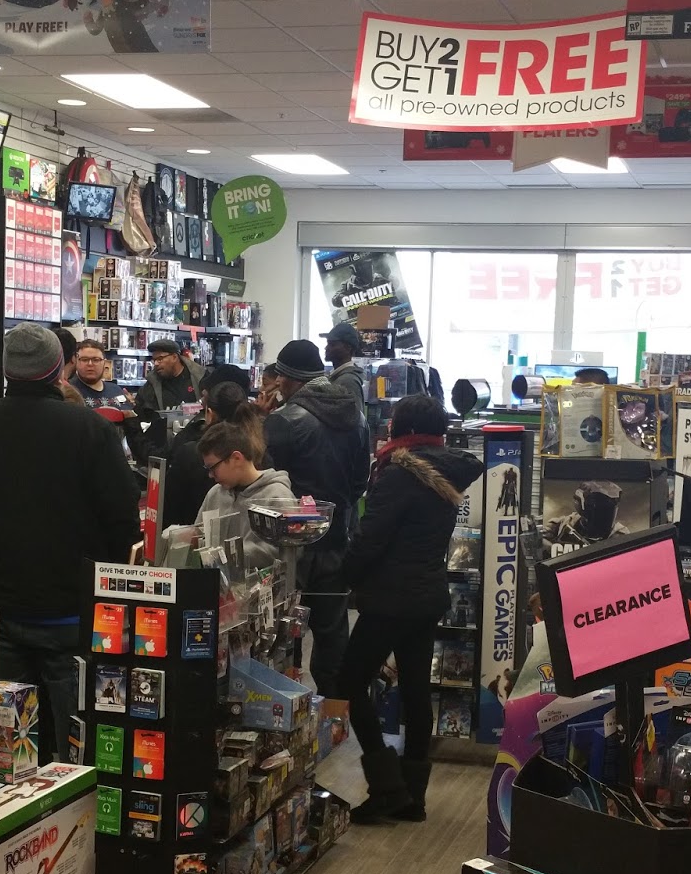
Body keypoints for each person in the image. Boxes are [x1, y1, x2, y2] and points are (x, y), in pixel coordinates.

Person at [0, 324, 140, 761]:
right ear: (59, 369)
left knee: (8, 746)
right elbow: (123, 517)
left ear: (6, 371)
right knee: (78, 737)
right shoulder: (90, 429)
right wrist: (97, 570)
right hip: (71, 607)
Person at [340, 394, 481, 822]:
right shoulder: (447, 470)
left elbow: (370, 539)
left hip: (389, 598)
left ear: (404, 430)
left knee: (349, 684)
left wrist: (344, 575)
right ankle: (413, 797)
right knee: (417, 692)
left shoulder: (399, 474)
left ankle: (387, 789)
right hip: (426, 595)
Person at [265, 339, 372, 695]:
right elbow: (360, 482)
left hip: (289, 545)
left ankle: (284, 707)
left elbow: (267, 483)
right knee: (332, 633)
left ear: (288, 378)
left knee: (281, 633)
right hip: (335, 537)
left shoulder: (283, 420)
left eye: (279, 377)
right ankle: (336, 711)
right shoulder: (356, 416)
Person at [196, 418, 296, 571]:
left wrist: (232, 553)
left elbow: (287, 551)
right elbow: (199, 533)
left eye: (213, 467)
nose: (210, 475)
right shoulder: (215, 493)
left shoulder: (277, 496)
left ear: (236, 458)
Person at [162, 367, 256, 528]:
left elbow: (170, 511)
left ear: (210, 414)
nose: (212, 475)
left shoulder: (191, 452)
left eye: (212, 467)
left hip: (194, 536)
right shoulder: (259, 448)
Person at [135, 337, 200, 459]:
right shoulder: (150, 387)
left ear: (175, 357)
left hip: (196, 451)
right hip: (163, 453)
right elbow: (141, 418)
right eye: (154, 360)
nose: (156, 364)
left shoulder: (198, 378)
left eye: (160, 359)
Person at [69, 339, 133, 410]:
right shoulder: (69, 391)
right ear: (76, 362)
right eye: (84, 359)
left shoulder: (116, 390)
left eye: (96, 360)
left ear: (105, 363)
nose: (90, 364)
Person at [324, 321, 369, 413]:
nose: (326, 348)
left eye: (332, 344)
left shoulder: (348, 381)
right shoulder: (338, 376)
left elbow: (353, 419)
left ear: (348, 348)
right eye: (328, 343)